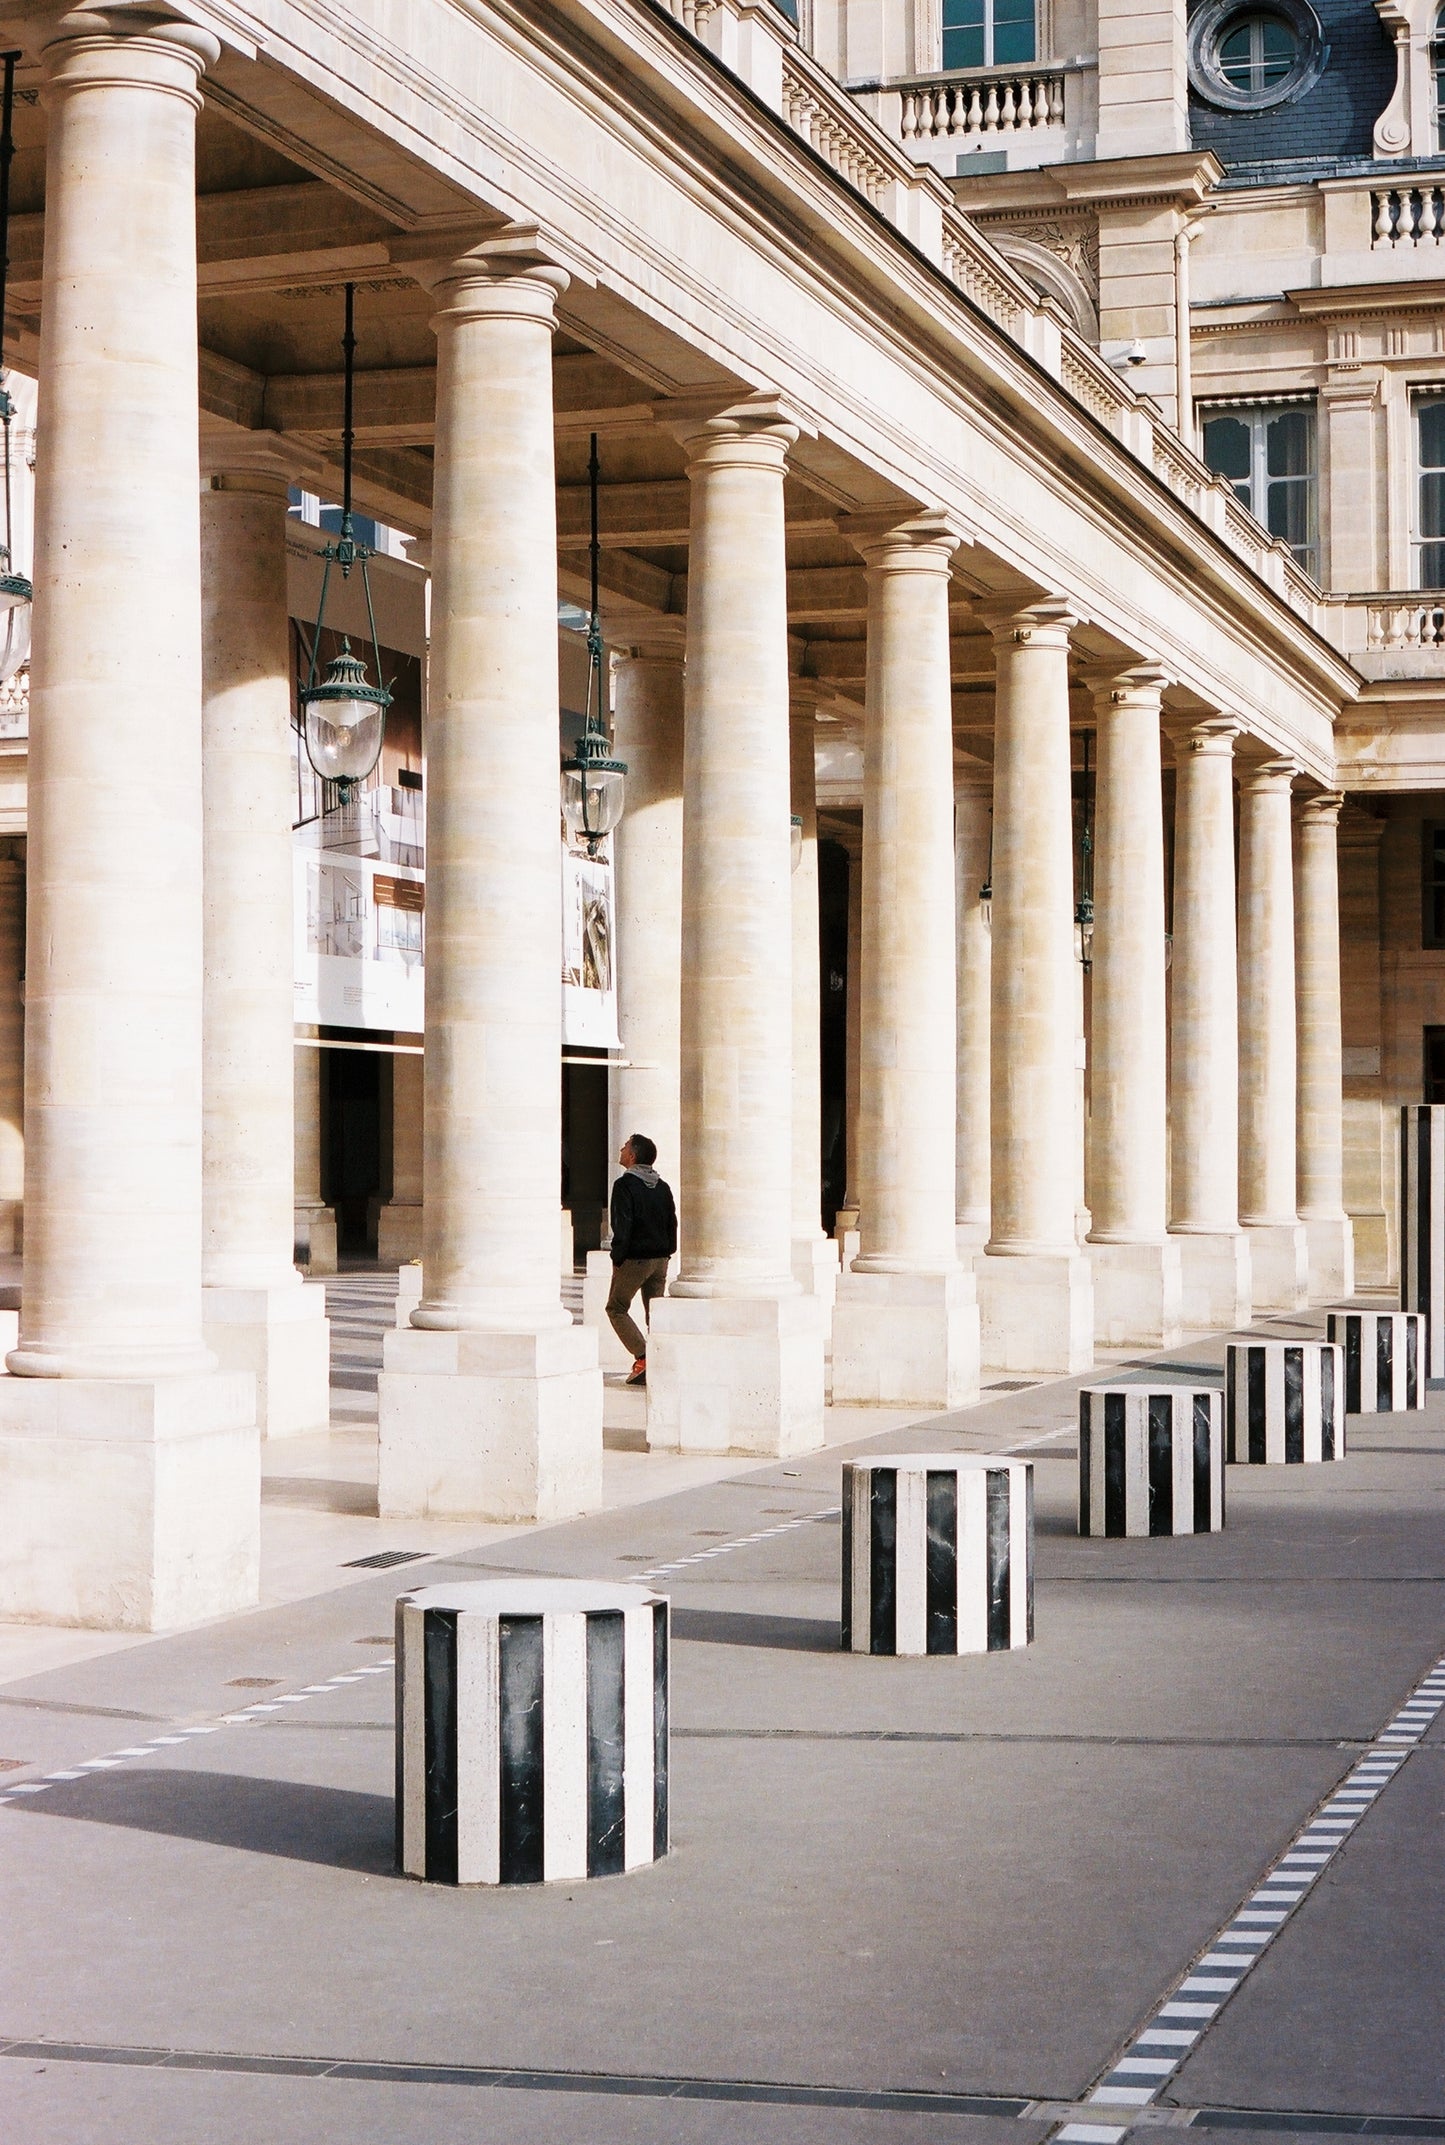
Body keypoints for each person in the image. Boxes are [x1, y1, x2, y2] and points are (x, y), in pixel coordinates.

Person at [606, 1133, 677, 1387]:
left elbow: (622, 1224)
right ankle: (663, 1361)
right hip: (660, 1258)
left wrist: (617, 1256)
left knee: (616, 1307)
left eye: (625, 1146)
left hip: (635, 1258)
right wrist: (668, 1251)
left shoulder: (624, 1185)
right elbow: (672, 1223)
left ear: (632, 1156)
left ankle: (643, 1355)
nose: (622, 1148)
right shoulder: (663, 1186)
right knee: (654, 1312)